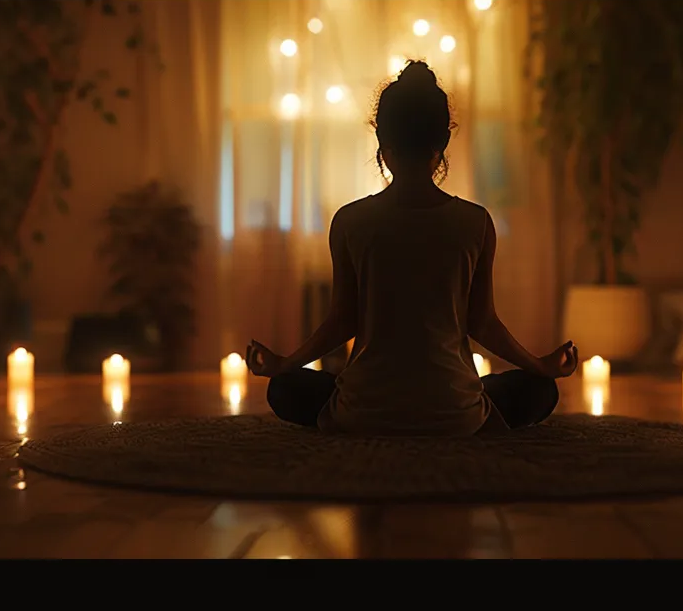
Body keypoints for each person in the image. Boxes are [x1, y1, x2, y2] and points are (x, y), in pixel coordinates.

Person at [245, 60, 579, 436]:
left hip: (364, 411)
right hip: (455, 413)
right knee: (537, 391)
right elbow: (482, 322)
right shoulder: (475, 222)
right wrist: (540, 366)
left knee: (286, 388)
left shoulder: (350, 221)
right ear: (443, 144)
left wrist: (284, 363)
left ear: (383, 147)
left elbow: (342, 321)